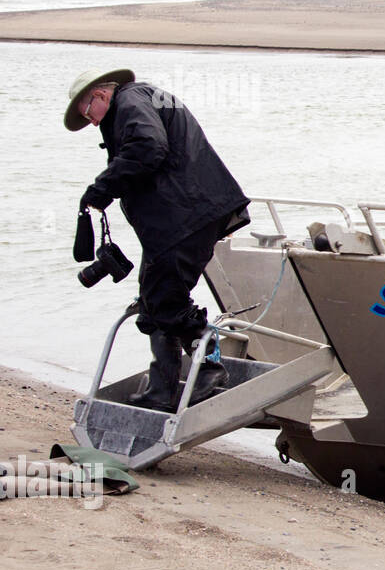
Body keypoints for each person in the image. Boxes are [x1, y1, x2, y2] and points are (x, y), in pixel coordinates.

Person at [66, 69, 250, 411]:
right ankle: (162, 389)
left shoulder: (130, 100)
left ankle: (210, 371)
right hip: (183, 214)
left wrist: (103, 186)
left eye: (87, 113)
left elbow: (149, 146)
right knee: (152, 302)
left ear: (100, 95)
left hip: (186, 213)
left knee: (166, 300)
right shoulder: (139, 100)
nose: (91, 123)